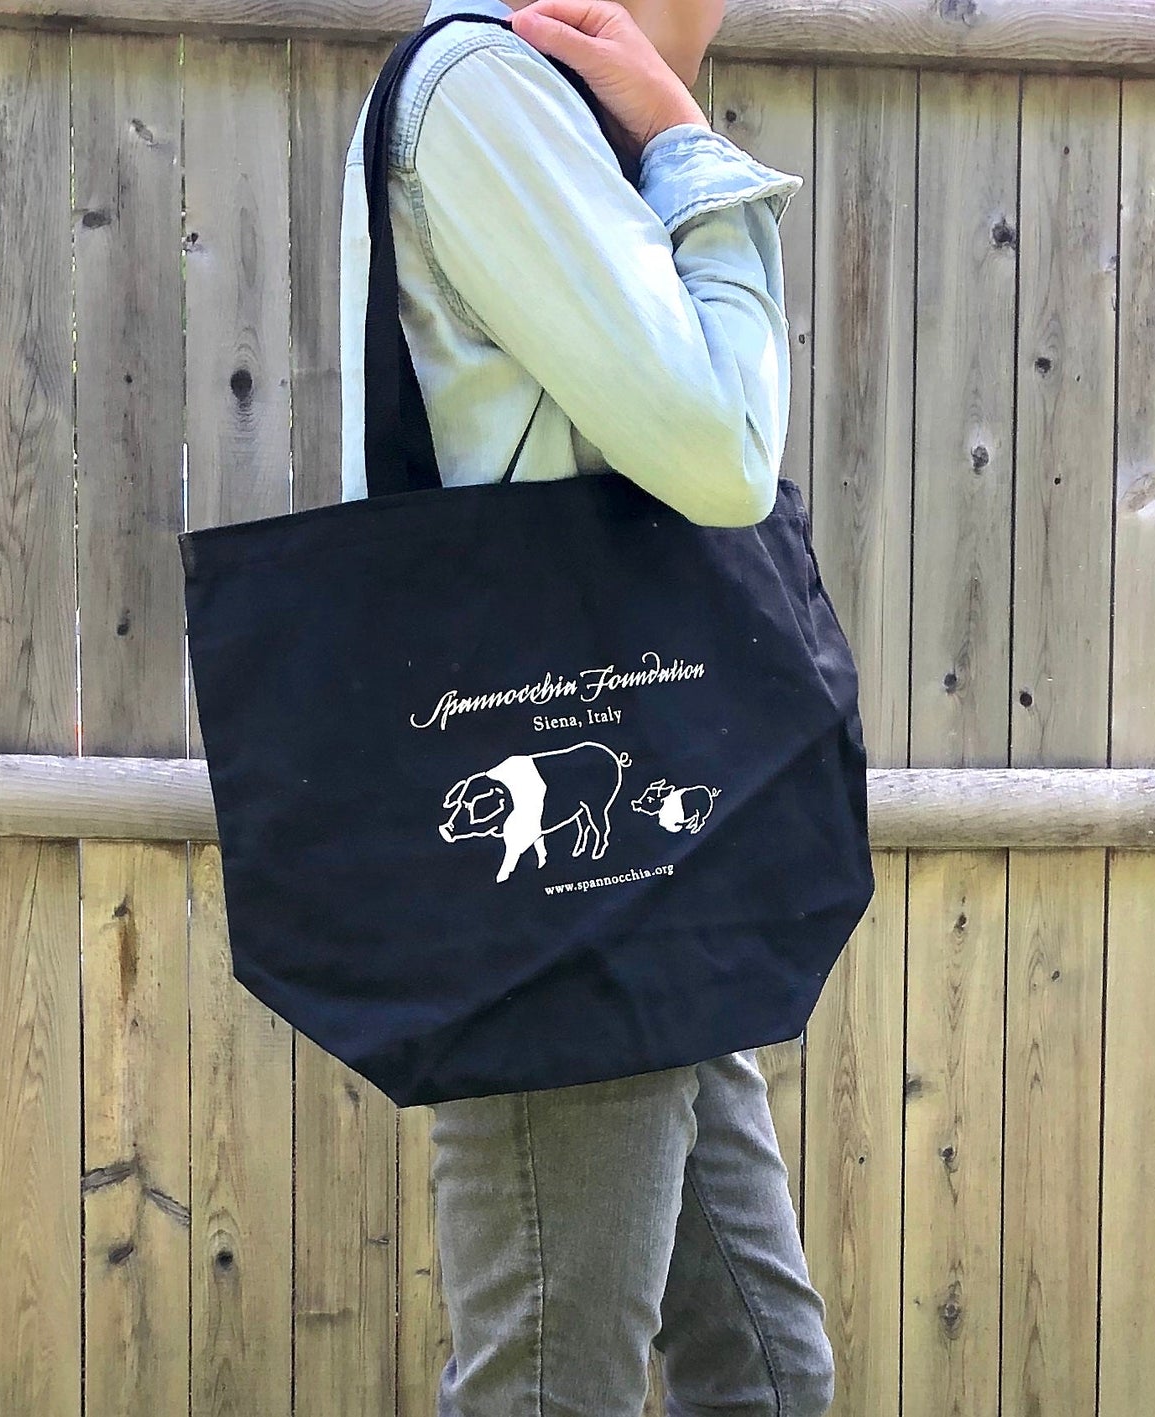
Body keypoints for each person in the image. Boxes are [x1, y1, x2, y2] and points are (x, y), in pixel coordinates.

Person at [338, 1, 837, 1412]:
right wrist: (684, 148)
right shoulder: (487, 86)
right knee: (555, 1383)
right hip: (561, 882)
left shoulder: (544, 101)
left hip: (642, 849)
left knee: (765, 1369)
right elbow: (722, 449)